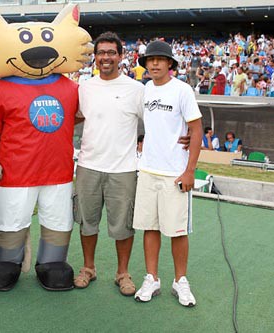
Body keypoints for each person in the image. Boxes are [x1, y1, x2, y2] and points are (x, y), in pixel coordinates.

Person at [133, 40, 203, 307]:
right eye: (150, 60)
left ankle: (180, 281)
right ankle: (152, 278)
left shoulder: (182, 90)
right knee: (150, 228)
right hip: (148, 170)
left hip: (175, 173)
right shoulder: (146, 88)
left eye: (160, 59)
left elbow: (196, 130)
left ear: (171, 63)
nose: (154, 64)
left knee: (176, 231)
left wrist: (189, 170)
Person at [74, 32, 144, 295]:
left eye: (111, 52)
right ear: (95, 57)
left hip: (123, 169)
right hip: (88, 165)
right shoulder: (85, 87)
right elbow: (76, 118)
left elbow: (154, 121)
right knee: (87, 221)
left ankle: (122, 273)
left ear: (121, 56)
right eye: (101, 52)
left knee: (123, 225)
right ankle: (88, 268)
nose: (106, 57)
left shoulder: (136, 89)